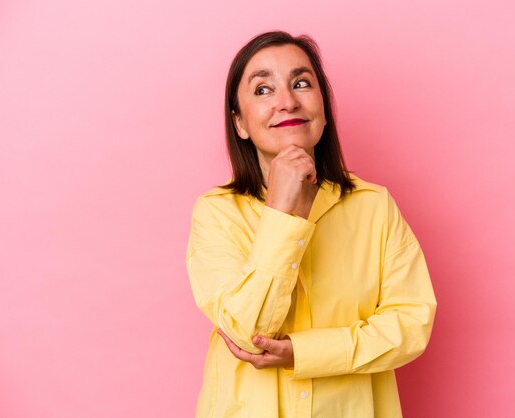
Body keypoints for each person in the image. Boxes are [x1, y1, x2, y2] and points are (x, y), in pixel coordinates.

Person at [186, 30, 437, 418]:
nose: (287, 101)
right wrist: (281, 214)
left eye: (301, 83)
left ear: (322, 111)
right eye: (263, 90)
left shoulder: (375, 207)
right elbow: (250, 333)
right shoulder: (216, 214)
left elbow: (411, 324)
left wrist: (304, 354)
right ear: (239, 122)